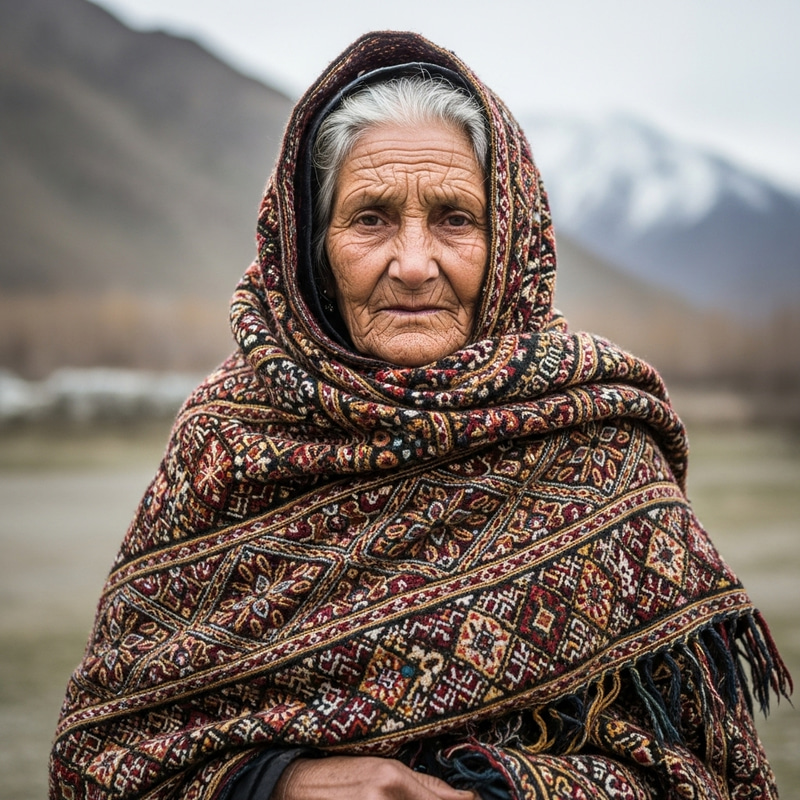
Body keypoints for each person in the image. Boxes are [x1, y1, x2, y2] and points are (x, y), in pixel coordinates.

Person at [49, 31, 790, 800]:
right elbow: (100, 762)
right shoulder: (228, 442)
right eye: (370, 217)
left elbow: (703, 777)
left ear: (509, 243)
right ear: (312, 247)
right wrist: (284, 786)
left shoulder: (598, 449)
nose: (412, 262)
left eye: (454, 219)